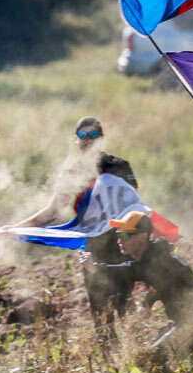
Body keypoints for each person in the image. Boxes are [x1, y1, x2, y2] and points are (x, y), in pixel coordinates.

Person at [11, 116, 147, 328]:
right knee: (101, 313)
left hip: (121, 243)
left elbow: (134, 206)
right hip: (91, 247)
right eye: (83, 135)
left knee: (125, 307)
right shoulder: (72, 173)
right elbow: (51, 212)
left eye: (94, 135)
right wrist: (14, 229)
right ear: (76, 141)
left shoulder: (119, 166)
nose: (88, 140)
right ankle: (110, 358)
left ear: (102, 138)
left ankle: (136, 354)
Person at [102, 211, 193, 371]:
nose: (119, 241)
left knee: (151, 360)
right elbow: (160, 284)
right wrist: (148, 300)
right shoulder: (154, 258)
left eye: (125, 236)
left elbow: (127, 271)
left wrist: (94, 269)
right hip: (188, 321)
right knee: (151, 355)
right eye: (118, 235)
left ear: (143, 236)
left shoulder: (157, 262)